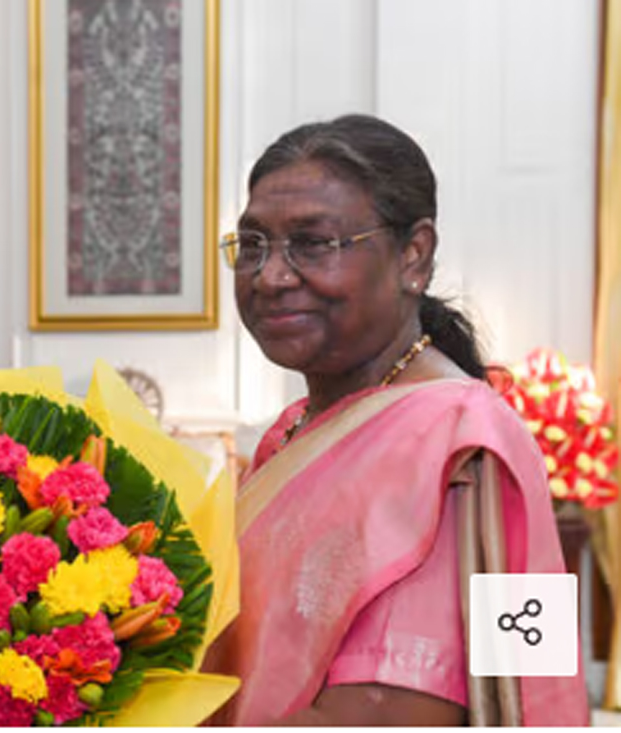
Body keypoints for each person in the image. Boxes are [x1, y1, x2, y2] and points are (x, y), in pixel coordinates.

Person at [201, 114, 589, 725]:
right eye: (253, 244)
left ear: (414, 254)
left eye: (313, 243)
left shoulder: (462, 441)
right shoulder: (291, 431)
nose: (271, 276)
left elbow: (405, 708)